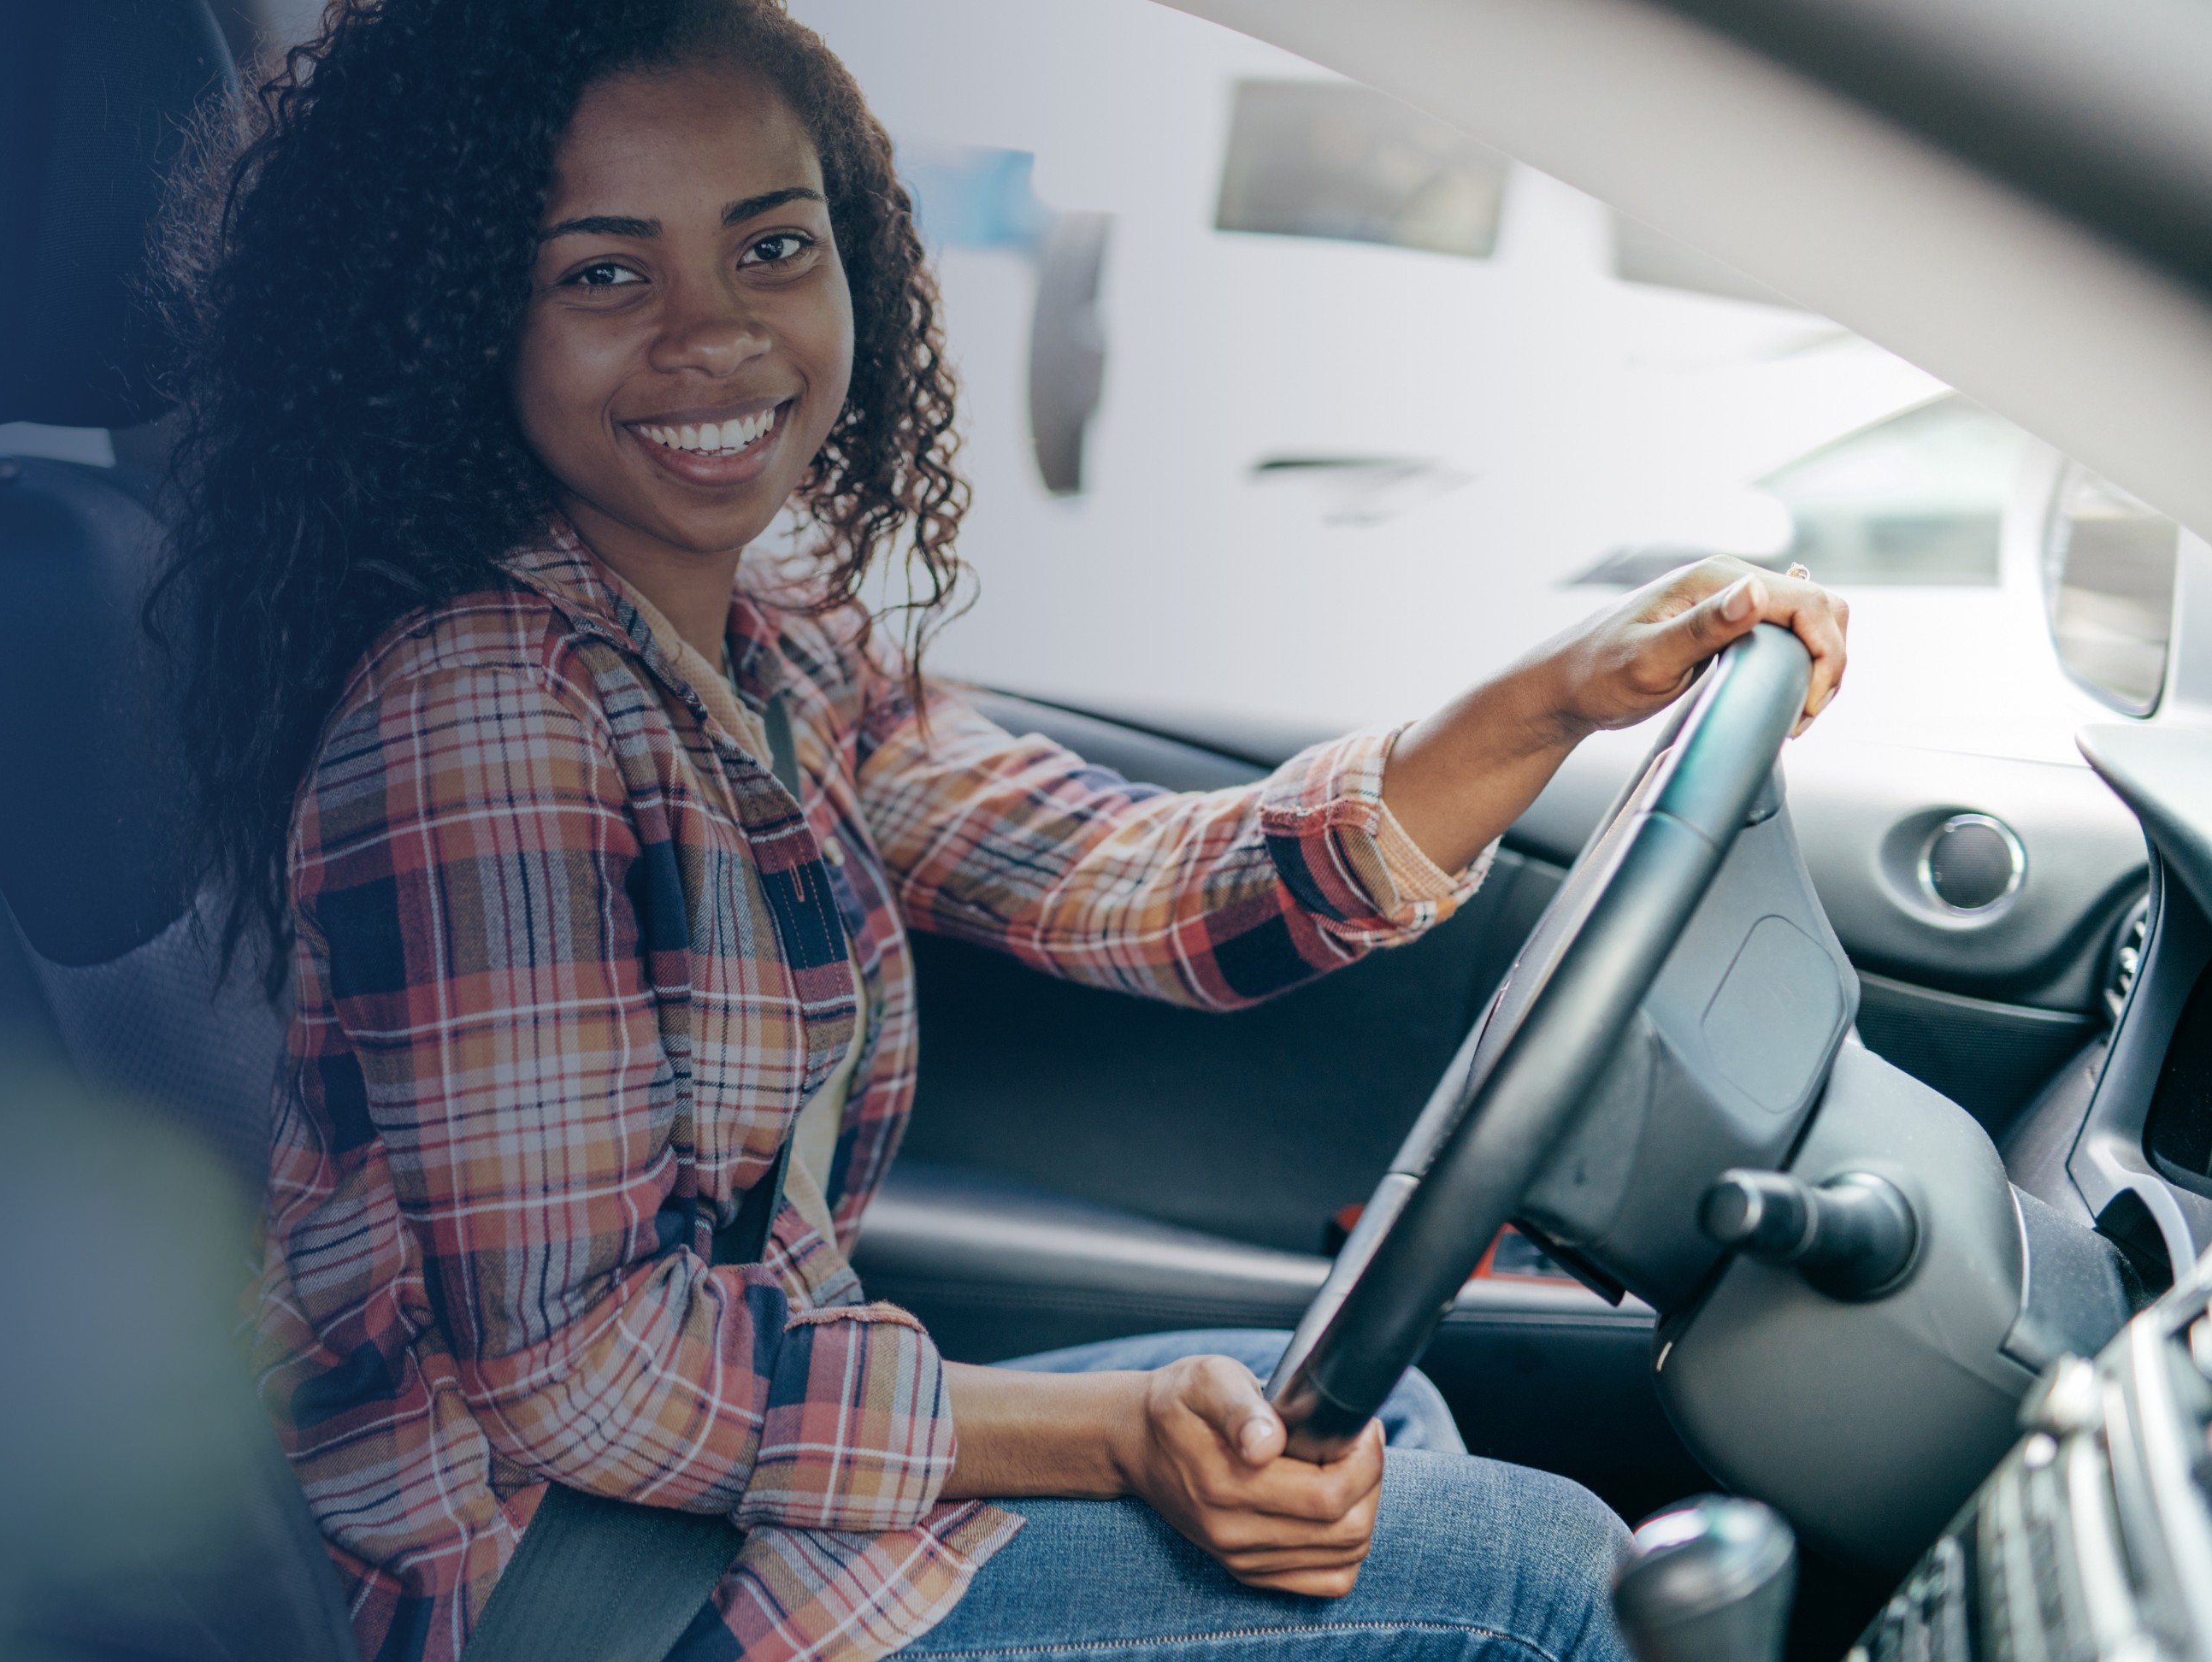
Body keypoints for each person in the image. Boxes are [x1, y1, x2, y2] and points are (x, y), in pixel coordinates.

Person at [150, 3, 1850, 1660]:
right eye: (605, 272)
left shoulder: (766, 646)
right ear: (464, 319)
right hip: (561, 1593)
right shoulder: (486, 715)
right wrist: (1116, 1435)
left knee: (1365, 1409)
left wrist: (1560, 692)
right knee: (1547, 1579)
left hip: (704, 1506)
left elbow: (1151, 889)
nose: (715, 333)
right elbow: (585, 1375)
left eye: (771, 248)